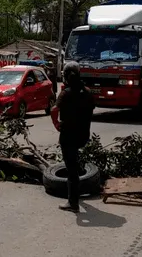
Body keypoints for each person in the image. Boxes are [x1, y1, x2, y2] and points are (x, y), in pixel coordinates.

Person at [50, 61, 95, 213]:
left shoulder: (66, 93)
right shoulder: (88, 92)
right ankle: (76, 193)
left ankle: (73, 203)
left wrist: (56, 124)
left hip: (68, 135)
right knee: (74, 161)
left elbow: (54, 109)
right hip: (83, 135)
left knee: (71, 170)